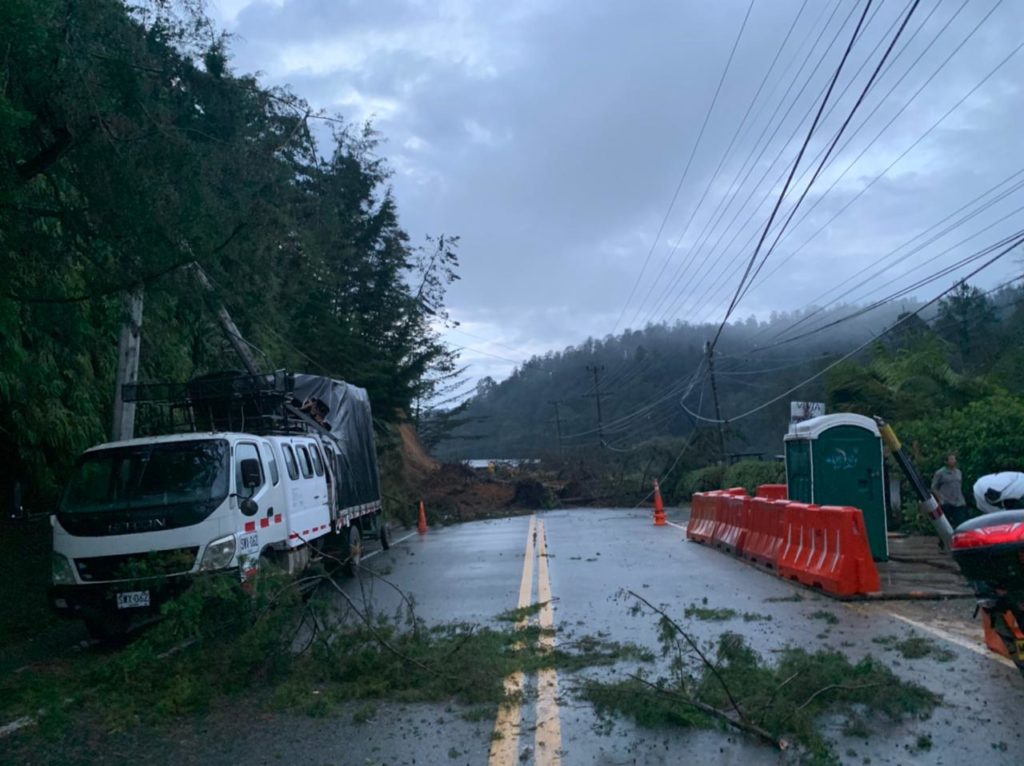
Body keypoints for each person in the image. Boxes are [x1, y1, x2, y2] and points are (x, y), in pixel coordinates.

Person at [932, 453, 968, 528]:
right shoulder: (940, 473)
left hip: (958, 502)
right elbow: (934, 487)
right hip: (946, 502)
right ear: (946, 461)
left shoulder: (958, 472)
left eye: (954, 459)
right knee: (945, 524)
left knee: (961, 523)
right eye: (951, 459)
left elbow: (959, 486)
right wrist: (940, 499)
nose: (953, 461)